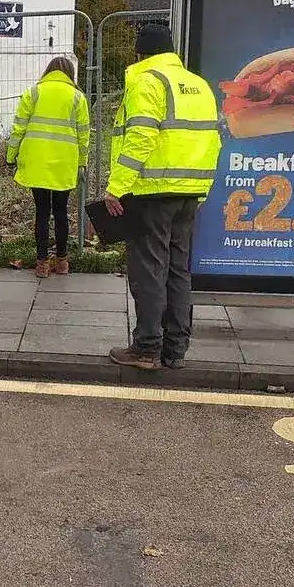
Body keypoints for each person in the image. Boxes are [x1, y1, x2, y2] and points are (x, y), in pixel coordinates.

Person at [103, 26, 222, 371]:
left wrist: (117, 186)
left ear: (140, 54)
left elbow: (140, 137)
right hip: (189, 194)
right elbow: (213, 142)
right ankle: (175, 349)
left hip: (153, 192)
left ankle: (146, 348)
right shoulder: (198, 85)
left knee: (149, 270)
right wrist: (202, 191)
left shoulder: (147, 83)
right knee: (178, 270)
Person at [6, 55, 89, 278]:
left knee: (42, 212)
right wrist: (83, 162)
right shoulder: (77, 97)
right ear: (70, 73)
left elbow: (19, 128)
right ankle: (62, 262)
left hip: (36, 160)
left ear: (48, 71)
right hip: (64, 161)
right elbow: (84, 134)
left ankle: (41, 264)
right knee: (61, 212)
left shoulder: (33, 92)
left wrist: (10, 156)